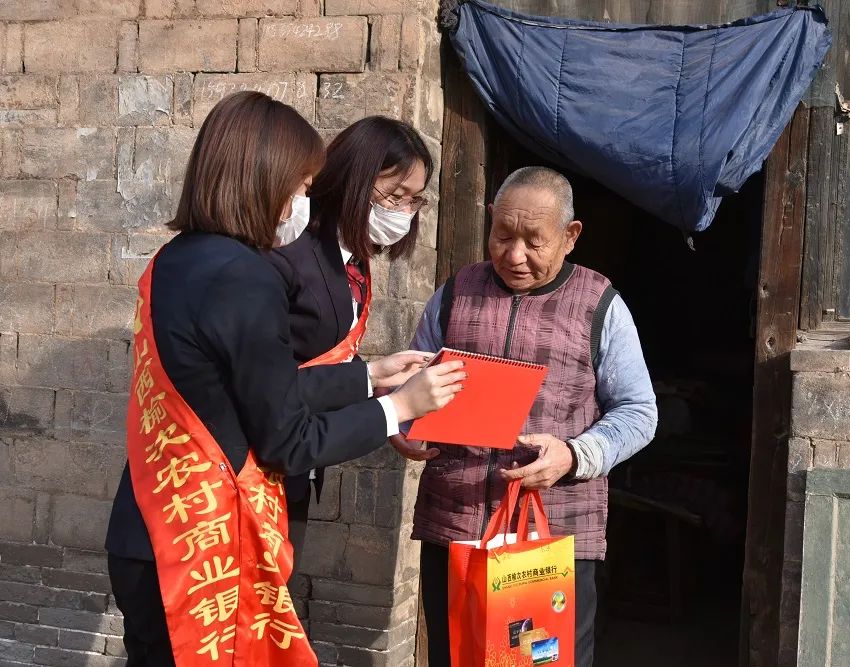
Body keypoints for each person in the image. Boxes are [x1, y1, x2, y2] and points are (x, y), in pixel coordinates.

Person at [104, 92, 464, 666]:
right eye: (299, 186)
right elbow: (287, 437)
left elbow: (251, 388)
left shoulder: (176, 259)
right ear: (260, 178)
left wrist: (367, 376)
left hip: (151, 525)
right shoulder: (248, 276)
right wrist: (398, 410)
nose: (304, 201)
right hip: (204, 544)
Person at [394, 166, 658, 667]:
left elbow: (639, 411)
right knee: (456, 656)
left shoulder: (599, 304)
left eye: (533, 241)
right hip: (455, 523)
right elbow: (412, 382)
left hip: (555, 532)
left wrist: (575, 455)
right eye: (503, 235)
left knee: (541, 660)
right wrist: (402, 426)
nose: (514, 255)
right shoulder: (454, 294)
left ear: (570, 236)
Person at [266, 116, 433, 561]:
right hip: (257, 461)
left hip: (301, 459)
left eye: (414, 201)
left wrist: (379, 387)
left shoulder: (354, 262)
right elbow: (271, 380)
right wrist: (391, 406)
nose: (402, 212)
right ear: (354, 178)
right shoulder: (290, 254)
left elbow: (328, 363)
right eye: (394, 195)